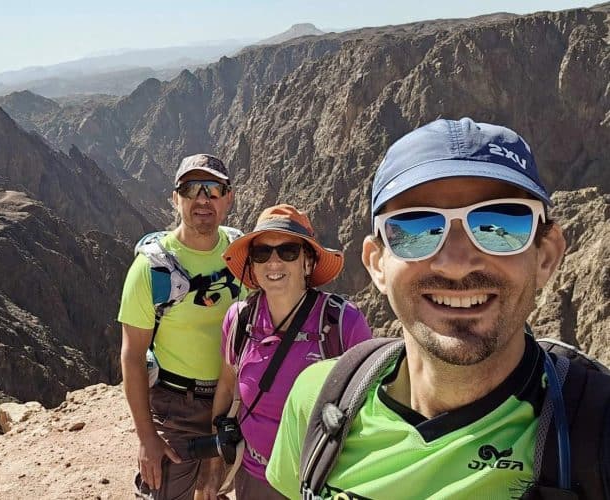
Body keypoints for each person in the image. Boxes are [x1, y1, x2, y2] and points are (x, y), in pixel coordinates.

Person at [266, 118, 610, 498]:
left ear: (545, 256)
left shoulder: (596, 431)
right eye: (416, 229)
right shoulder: (318, 397)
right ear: (377, 265)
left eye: (497, 224)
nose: (456, 264)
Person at [201, 204, 372, 499]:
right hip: (255, 476)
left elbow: (369, 411)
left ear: (307, 262)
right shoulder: (239, 320)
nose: (274, 262)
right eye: (262, 253)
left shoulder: (342, 323)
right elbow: (227, 388)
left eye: (288, 251)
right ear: (252, 265)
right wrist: (213, 469)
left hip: (321, 482)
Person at [119, 153, 244, 500]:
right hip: (175, 408)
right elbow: (131, 356)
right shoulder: (150, 269)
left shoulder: (245, 256)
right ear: (176, 199)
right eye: (191, 189)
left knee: (216, 490)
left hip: (233, 402)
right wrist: (147, 437)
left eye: (213, 189)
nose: (203, 199)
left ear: (228, 198)